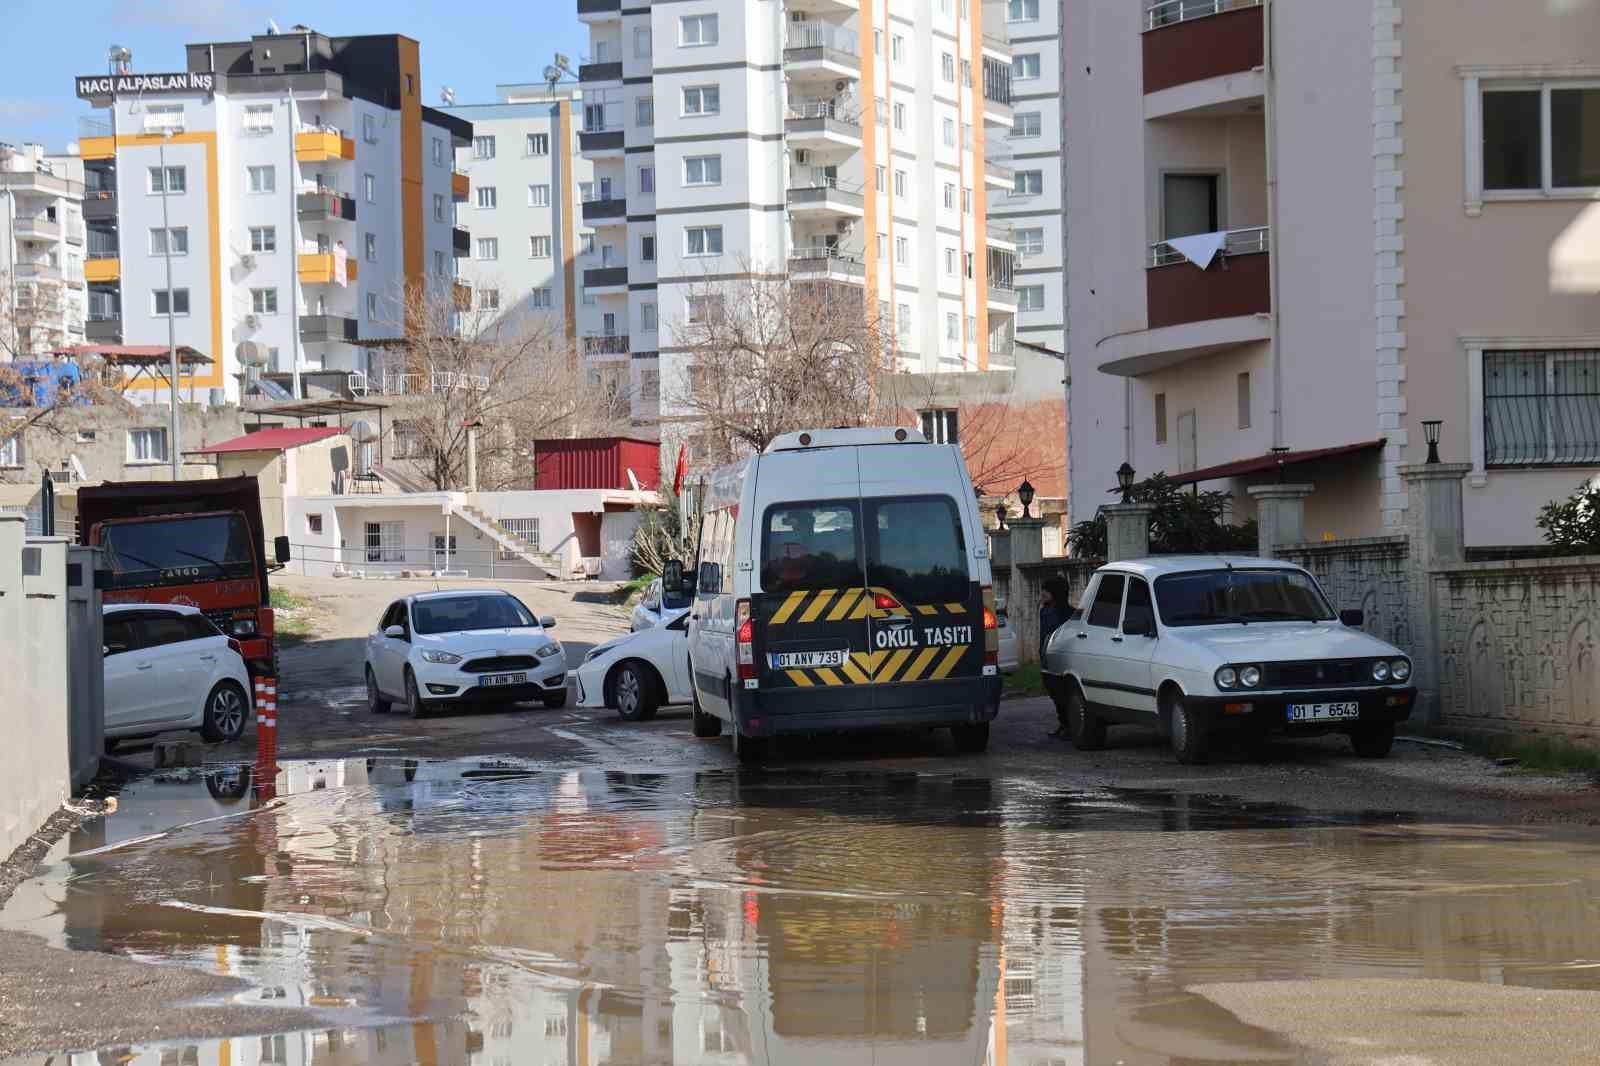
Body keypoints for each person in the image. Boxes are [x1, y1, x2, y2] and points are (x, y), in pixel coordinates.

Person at [1038, 579, 1071, 662]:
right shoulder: (1044, 611)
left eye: (1047, 591)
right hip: (1046, 651)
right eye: (1043, 590)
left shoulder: (1068, 612)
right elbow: (1043, 635)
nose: (1043, 593)